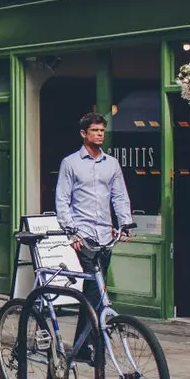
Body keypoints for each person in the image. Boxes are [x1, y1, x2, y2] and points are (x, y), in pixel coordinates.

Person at [54, 112, 135, 356]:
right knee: (94, 291)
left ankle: (84, 344)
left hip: (105, 237)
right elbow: (62, 200)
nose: (100, 134)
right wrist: (72, 233)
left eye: (102, 131)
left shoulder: (111, 164)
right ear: (84, 134)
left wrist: (126, 223)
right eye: (95, 131)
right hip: (84, 236)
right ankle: (94, 345)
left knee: (96, 291)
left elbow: (119, 195)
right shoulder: (70, 163)